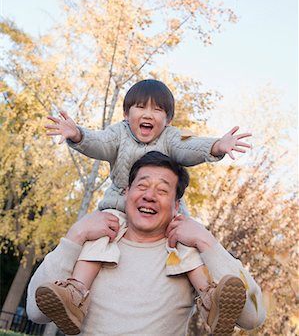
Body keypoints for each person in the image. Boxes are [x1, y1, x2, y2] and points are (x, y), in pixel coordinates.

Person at [36, 79, 252, 334]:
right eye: (140, 107)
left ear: (168, 120)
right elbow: (100, 142)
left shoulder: (170, 138)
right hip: (117, 206)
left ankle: (209, 298)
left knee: (184, 243)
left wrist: (216, 146)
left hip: (167, 217)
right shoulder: (119, 133)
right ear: (127, 114)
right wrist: (78, 134)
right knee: (100, 237)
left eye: (157, 110)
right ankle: (75, 294)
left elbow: (189, 145)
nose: (148, 114)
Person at [26, 152, 266, 336]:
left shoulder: (187, 253)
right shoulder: (95, 243)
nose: (149, 195)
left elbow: (252, 317)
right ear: (127, 192)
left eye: (162, 190)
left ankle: (208, 302)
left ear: (176, 206)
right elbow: (36, 312)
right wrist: (75, 235)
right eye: (142, 186)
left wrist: (207, 241)